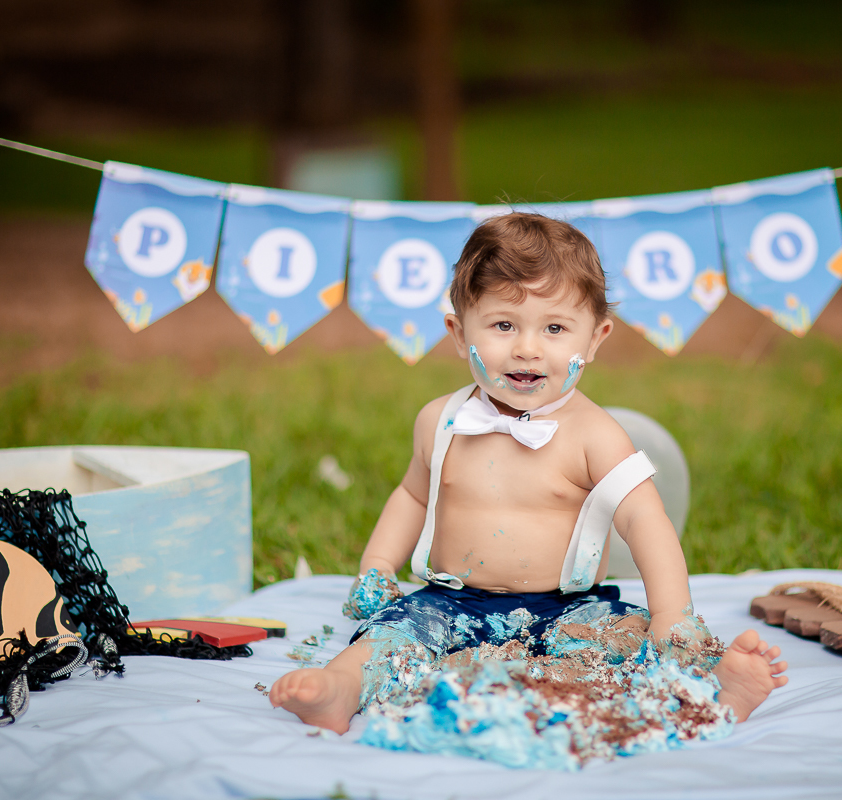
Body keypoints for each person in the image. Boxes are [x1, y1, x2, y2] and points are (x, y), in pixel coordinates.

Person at [270, 212, 787, 733]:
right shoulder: (440, 421)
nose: (527, 348)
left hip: (567, 609)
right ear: (458, 332)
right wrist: (379, 565)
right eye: (503, 325)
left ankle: (710, 688)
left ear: (595, 339)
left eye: (555, 328)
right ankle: (340, 688)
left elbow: (644, 521)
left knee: (626, 641)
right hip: (449, 602)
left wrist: (673, 616)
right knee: (392, 636)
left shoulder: (595, 435)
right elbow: (412, 495)